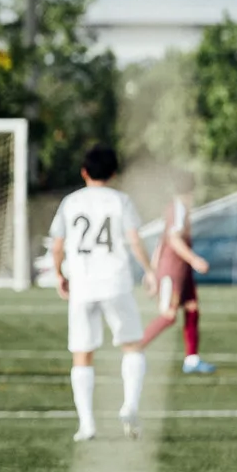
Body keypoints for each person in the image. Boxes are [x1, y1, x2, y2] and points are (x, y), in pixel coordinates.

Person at [47, 145, 156, 442]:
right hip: (115, 282)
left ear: (84, 172)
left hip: (82, 284)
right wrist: (149, 270)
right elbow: (134, 239)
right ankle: (130, 405)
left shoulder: (70, 202)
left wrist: (59, 274)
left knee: (82, 354)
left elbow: (58, 245)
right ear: (114, 173)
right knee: (132, 346)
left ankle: (87, 424)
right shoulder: (120, 200)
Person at [137, 171, 213, 374]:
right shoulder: (178, 208)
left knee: (192, 308)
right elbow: (173, 239)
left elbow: (162, 240)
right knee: (169, 315)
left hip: (181, 270)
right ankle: (135, 349)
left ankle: (192, 360)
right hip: (173, 271)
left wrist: (152, 269)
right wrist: (194, 259)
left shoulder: (178, 207)